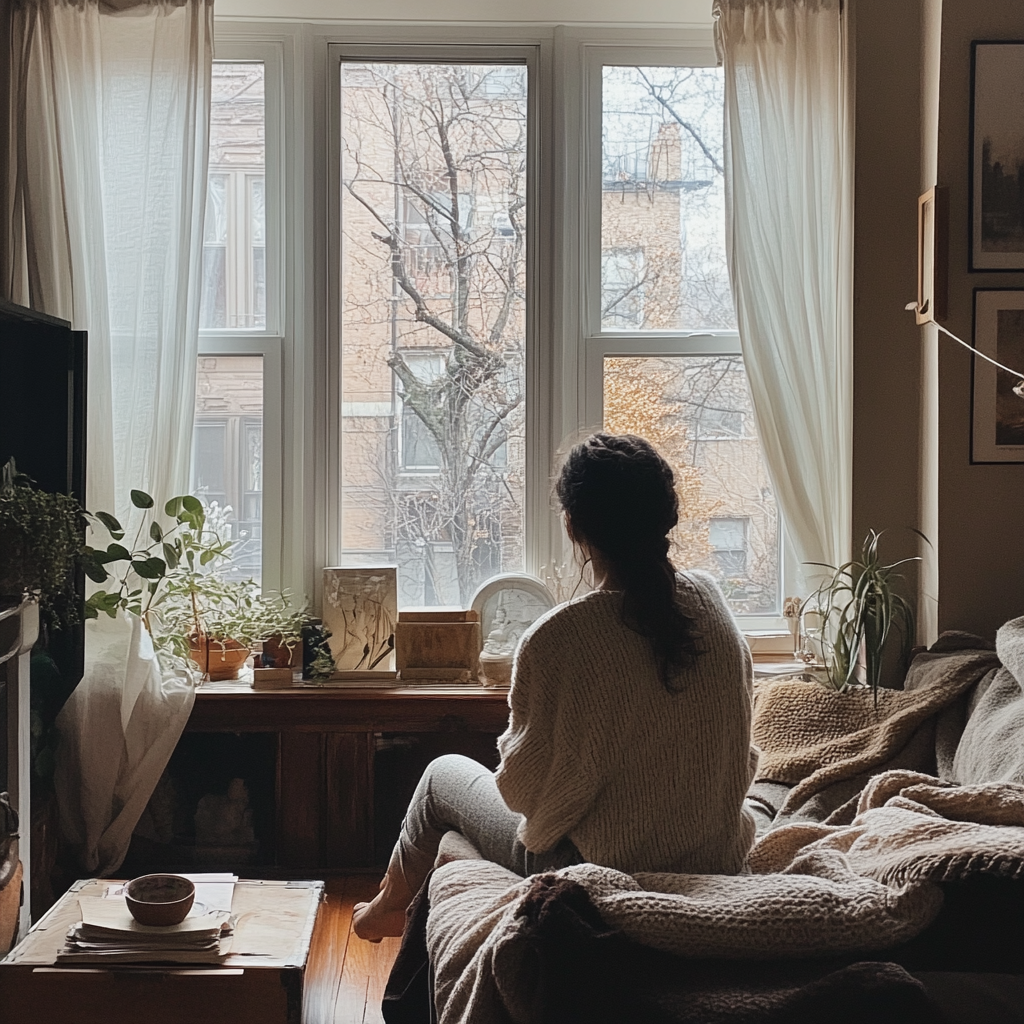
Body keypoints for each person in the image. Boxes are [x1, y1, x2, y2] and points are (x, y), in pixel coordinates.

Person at [352, 433, 759, 941]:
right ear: (665, 517)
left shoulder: (559, 636)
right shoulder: (712, 601)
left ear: (572, 524)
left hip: (592, 868)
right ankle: (393, 902)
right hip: (716, 855)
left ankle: (388, 904)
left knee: (441, 775)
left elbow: (523, 792)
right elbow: (741, 748)